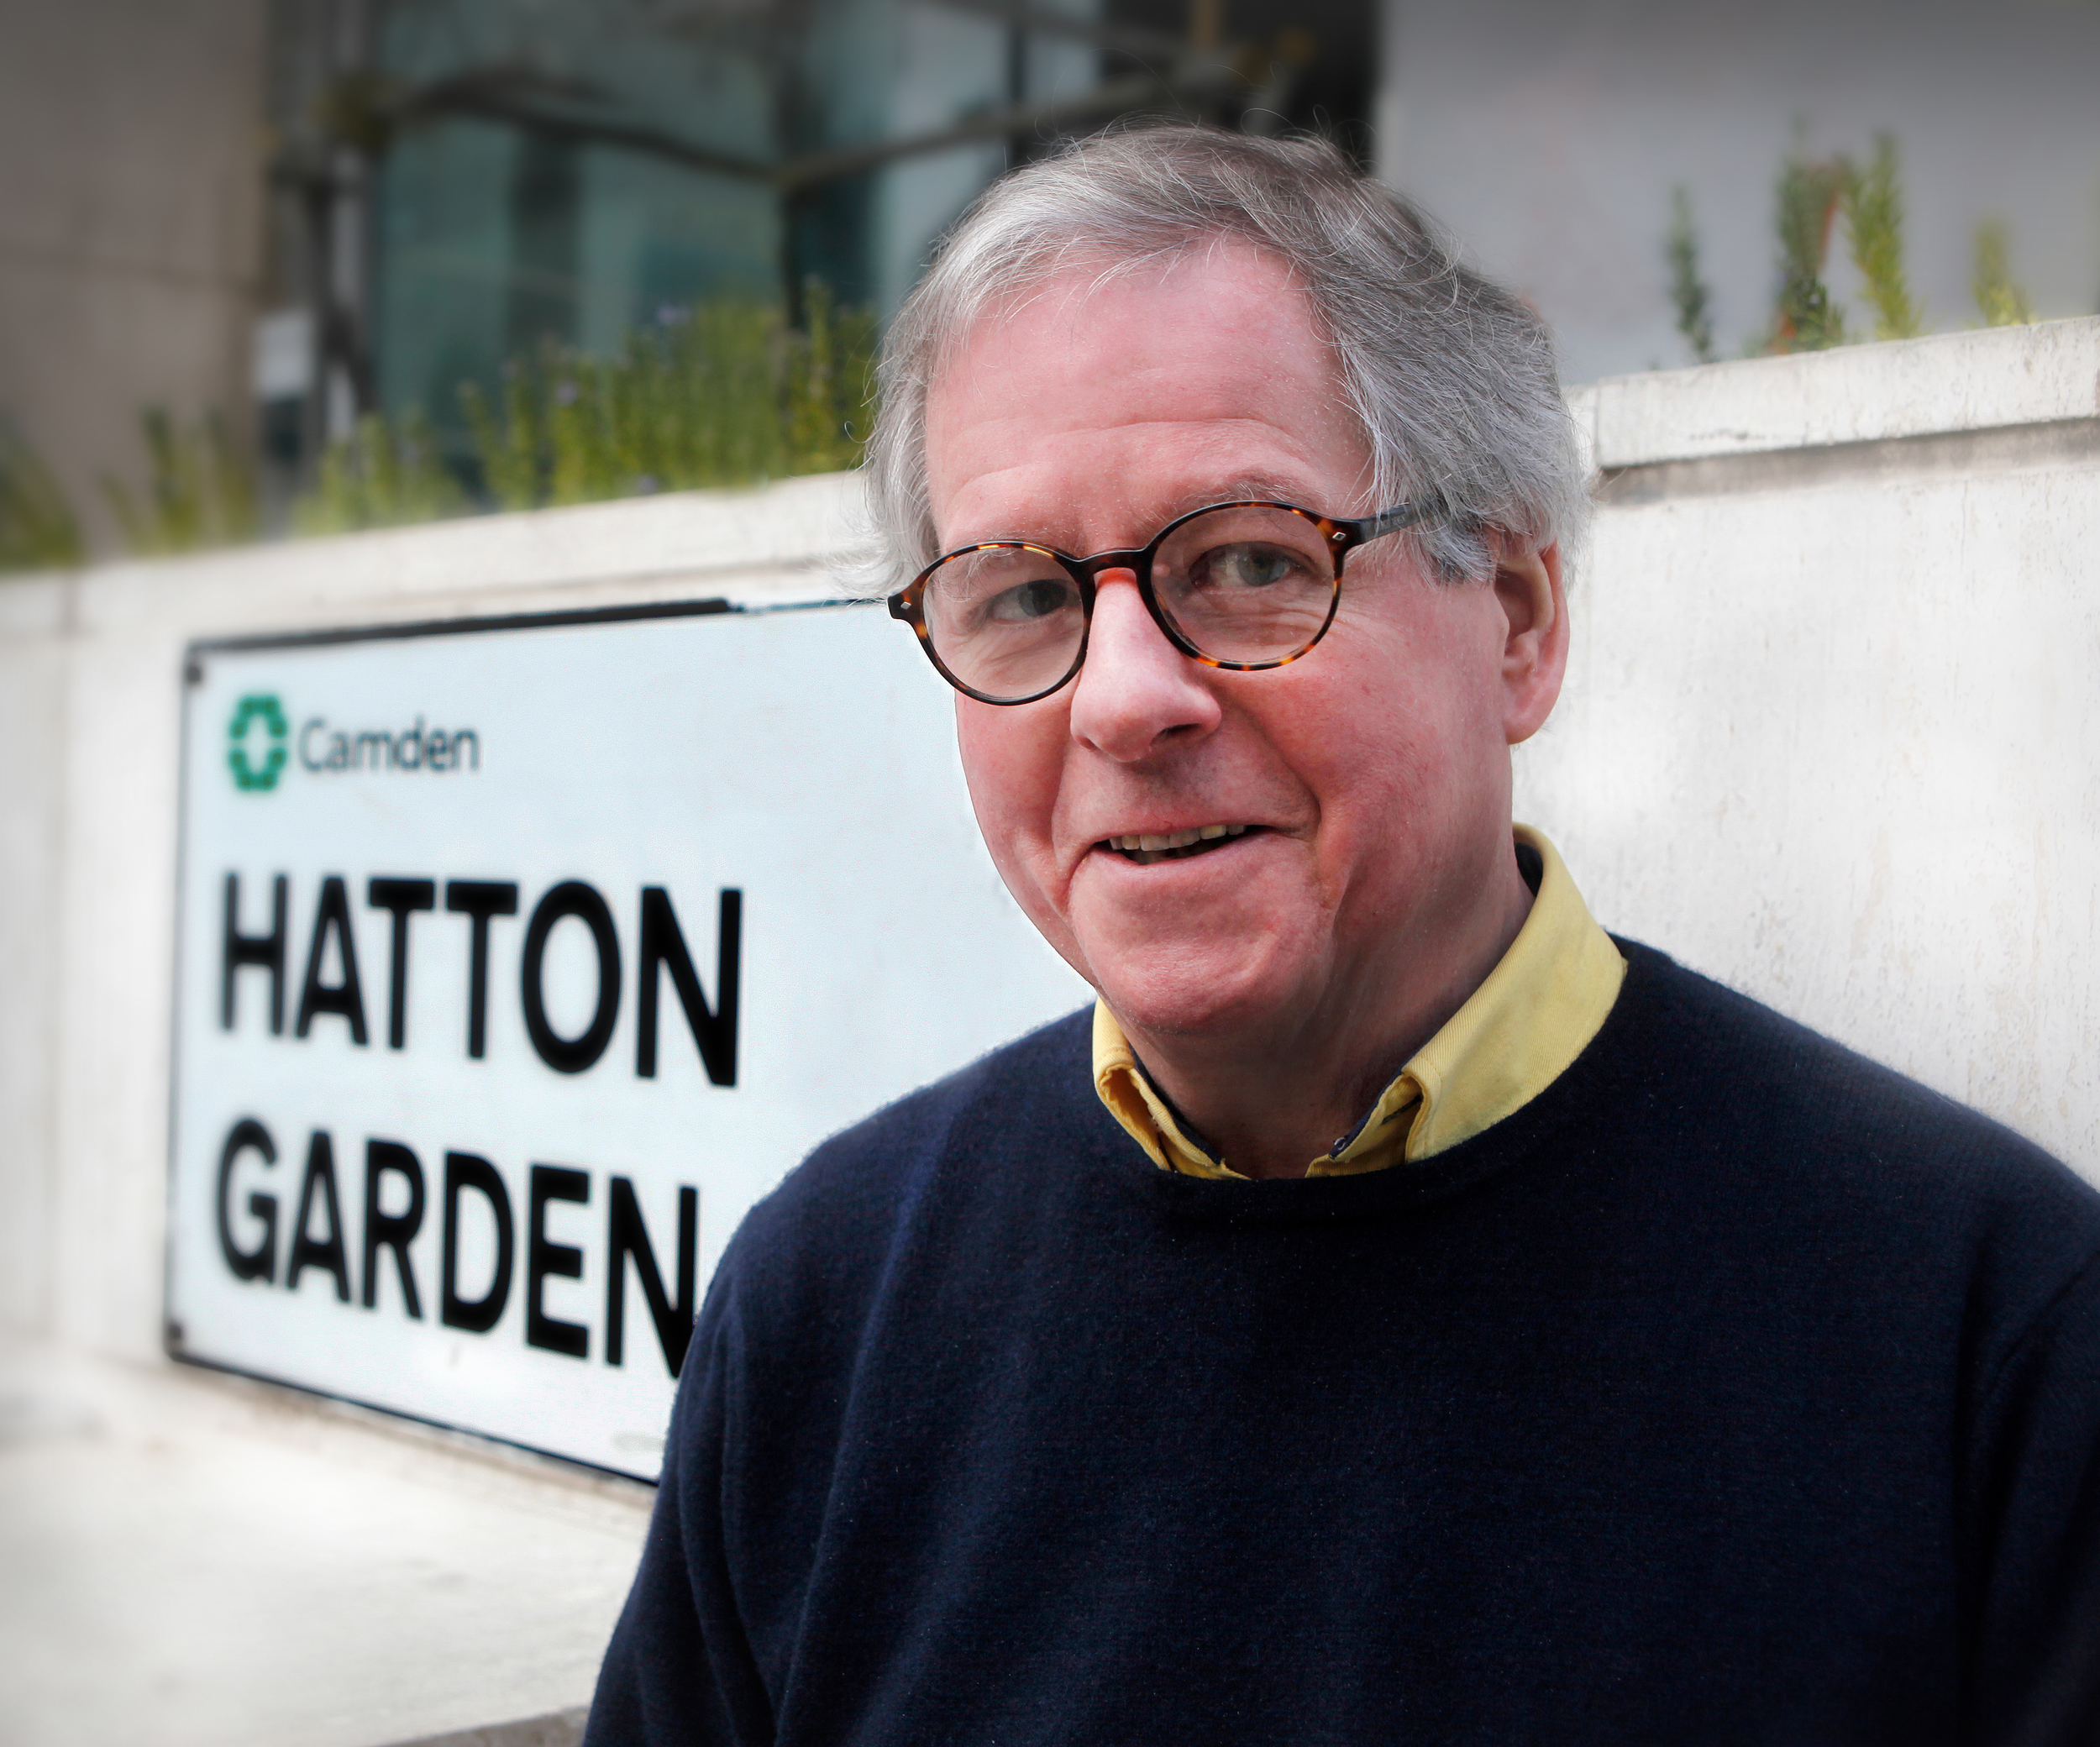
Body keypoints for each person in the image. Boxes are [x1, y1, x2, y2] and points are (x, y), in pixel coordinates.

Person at [583, 127, 2100, 1744]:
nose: (1122, 699)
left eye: (1246, 562)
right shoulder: (828, 1301)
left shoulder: (1990, 1340)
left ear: (1515, 616)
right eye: (1022, 595)